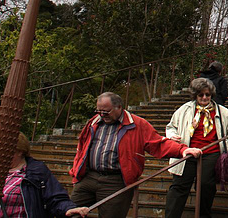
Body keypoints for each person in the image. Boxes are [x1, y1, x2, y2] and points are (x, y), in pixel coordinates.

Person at [70, 92, 201, 218]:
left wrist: (182, 150)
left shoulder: (137, 124)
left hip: (115, 181)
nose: (102, 115)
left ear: (119, 107)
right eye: (99, 111)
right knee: (70, 212)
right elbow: (81, 147)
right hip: (88, 178)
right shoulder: (94, 122)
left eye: (106, 111)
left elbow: (157, 143)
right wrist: (76, 172)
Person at [165, 78, 228, 218]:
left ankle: (203, 214)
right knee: (179, 186)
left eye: (207, 94)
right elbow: (171, 127)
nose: (205, 97)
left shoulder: (224, 112)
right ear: (195, 95)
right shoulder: (184, 110)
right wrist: (172, 135)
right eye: (201, 95)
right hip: (187, 152)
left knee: (206, 185)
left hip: (210, 153)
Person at [0, 133, 88, 218]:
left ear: (20, 151)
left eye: (5, 148)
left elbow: (55, 196)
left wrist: (68, 208)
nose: (1, 152)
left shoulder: (36, 171)